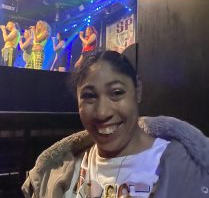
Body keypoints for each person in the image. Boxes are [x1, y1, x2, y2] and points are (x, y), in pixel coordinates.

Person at [22, 51, 209, 198]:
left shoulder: (190, 167)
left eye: (117, 92)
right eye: (89, 96)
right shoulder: (57, 172)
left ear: (138, 91)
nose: (103, 112)